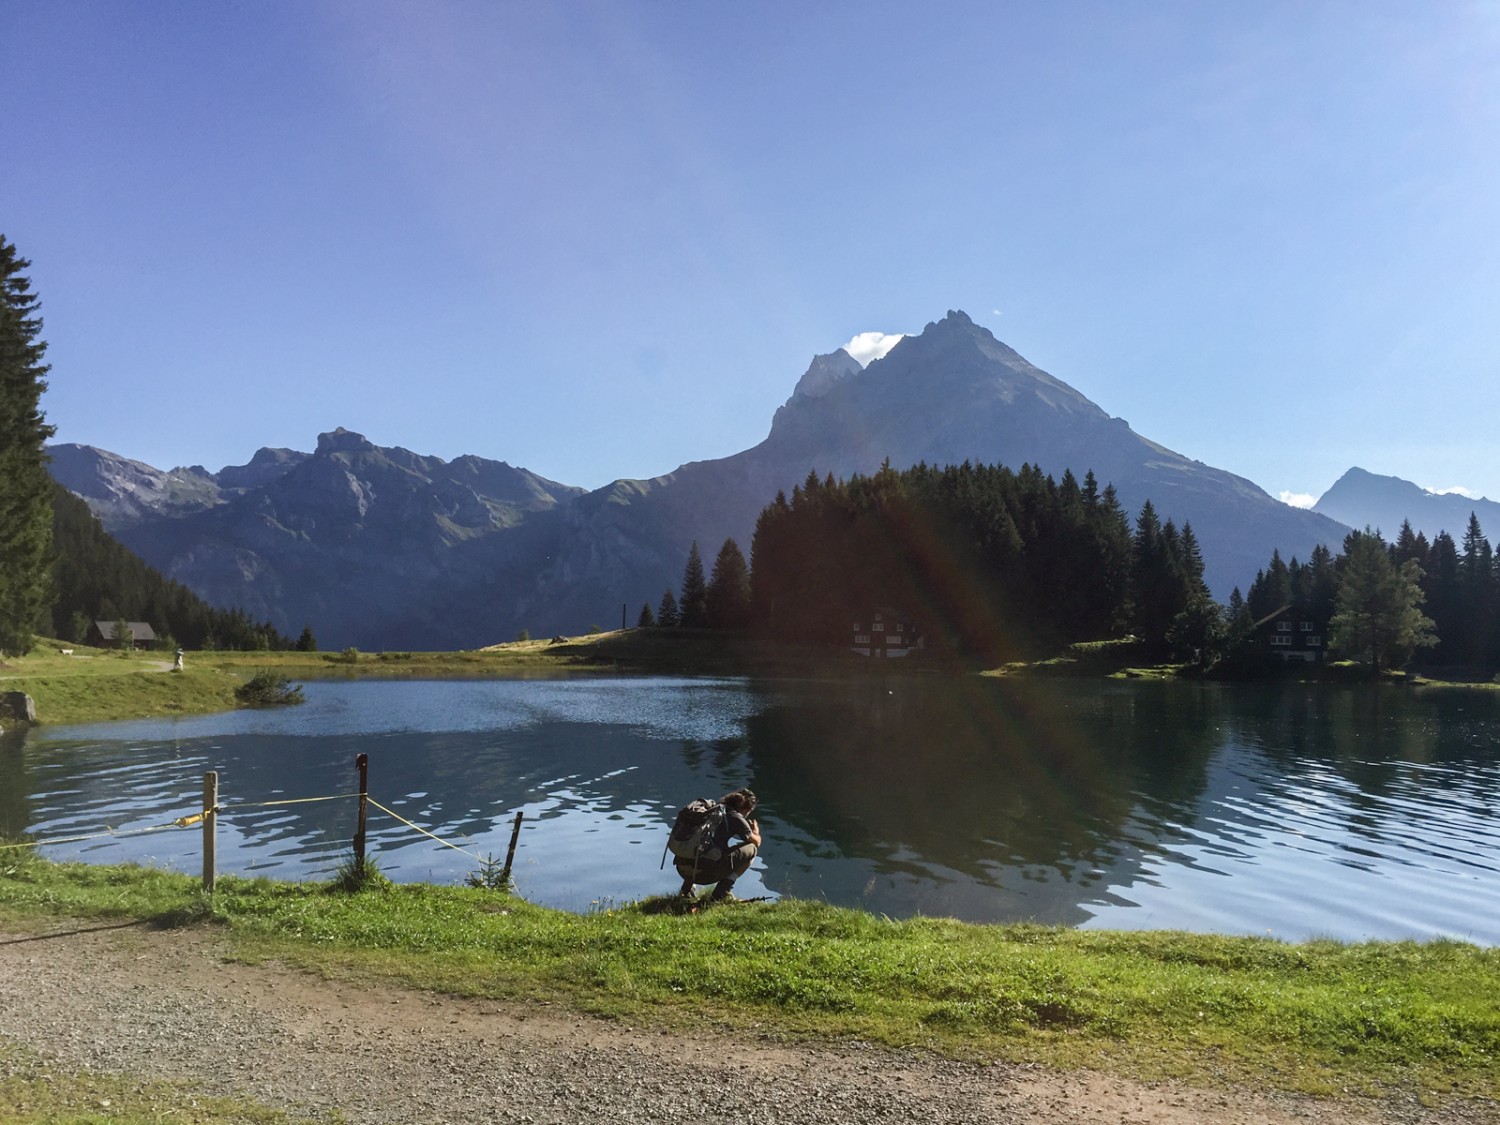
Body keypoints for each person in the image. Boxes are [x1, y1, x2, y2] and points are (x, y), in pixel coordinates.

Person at [677, 787, 762, 902]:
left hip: (681, 869)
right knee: (752, 849)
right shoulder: (736, 817)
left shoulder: (711, 810)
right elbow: (756, 842)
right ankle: (722, 894)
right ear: (747, 809)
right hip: (703, 875)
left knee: (703, 846)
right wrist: (755, 831)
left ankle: (686, 890)